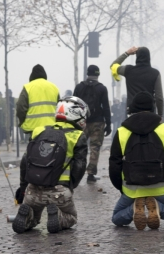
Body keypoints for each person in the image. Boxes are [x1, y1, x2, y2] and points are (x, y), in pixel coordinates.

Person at [12, 96, 88, 234]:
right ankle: (59, 217)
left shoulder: (39, 131)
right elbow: (80, 166)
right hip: (59, 191)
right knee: (72, 217)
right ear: (78, 115)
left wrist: (23, 189)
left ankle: (28, 216)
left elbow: (25, 162)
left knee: (34, 219)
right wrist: (71, 186)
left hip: (32, 190)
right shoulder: (77, 136)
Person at [109, 92, 164, 229]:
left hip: (132, 189)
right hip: (161, 188)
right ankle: (158, 207)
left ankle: (134, 208)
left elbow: (114, 165)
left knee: (116, 218)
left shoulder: (121, 132)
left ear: (132, 108)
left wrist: (122, 188)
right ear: (153, 107)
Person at [73, 65, 112, 182]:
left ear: (87, 73)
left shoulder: (79, 87)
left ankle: (76, 172)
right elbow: (106, 107)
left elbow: (74, 105)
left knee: (79, 148)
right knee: (95, 147)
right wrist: (108, 123)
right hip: (98, 122)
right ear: (98, 74)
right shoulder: (102, 88)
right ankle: (91, 173)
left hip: (82, 122)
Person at [111, 47, 163, 116]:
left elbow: (113, 66)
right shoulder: (155, 73)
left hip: (133, 111)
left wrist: (127, 53)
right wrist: (160, 115)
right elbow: (159, 98)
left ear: (137, 56)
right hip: (149, 112)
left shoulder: (128, 70)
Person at [16, 64, 60, 134]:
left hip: (33, 128)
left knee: (34, 145)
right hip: (52, 128)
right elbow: (59, 108)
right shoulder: (54, 88)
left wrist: (23, 122)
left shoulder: (28, 87)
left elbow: (20, 107)